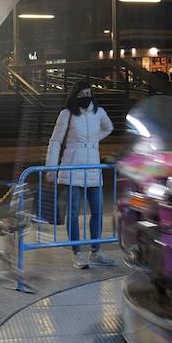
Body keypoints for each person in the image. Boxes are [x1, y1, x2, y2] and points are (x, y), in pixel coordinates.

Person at [47, 81, 114, 268]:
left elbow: (109, 128)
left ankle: (96, 251)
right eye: (82, 94)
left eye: (88, 93)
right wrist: (51, 168)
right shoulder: (66, 114)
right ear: (75, 96)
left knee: (98, 211)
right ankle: (77, 253)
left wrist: (92, 142)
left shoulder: (99, 113)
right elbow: (55, 142)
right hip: (72, 168)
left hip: (93, 168)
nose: (86, 97)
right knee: (74, 212)